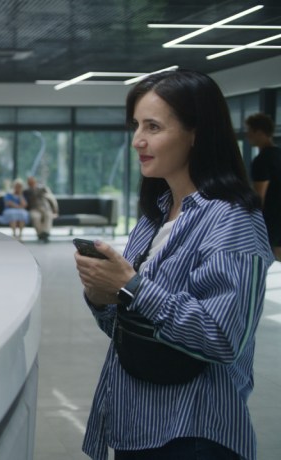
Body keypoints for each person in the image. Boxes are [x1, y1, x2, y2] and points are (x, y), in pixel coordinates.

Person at [73, 69, 274, 460]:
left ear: (196, 133)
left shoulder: (232, 219)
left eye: (153, 126)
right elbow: (131, 328)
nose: (137, 141)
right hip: (136, 425)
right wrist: (103, 297)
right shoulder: (155, 215)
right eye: (135, 126)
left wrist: (132, 287)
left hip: (192, 435)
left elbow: (221, 337)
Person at [245, 113, 281, 261]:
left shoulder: (262, 160)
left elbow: (259, 197)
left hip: (273, 220)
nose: (247, 135)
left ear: (259, 132)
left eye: (249, 131)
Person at [25, 176, 58, 242]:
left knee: (48, 215)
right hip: (34, 209)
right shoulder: (26, 191)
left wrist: (55, 210)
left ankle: (46, 233)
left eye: (32, 182)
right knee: (35, 217)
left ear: (35, 182)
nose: (31, 184)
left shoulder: (43, 189)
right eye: (30, 183)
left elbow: (51, 199)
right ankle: (41, 234)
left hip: (45, 208)